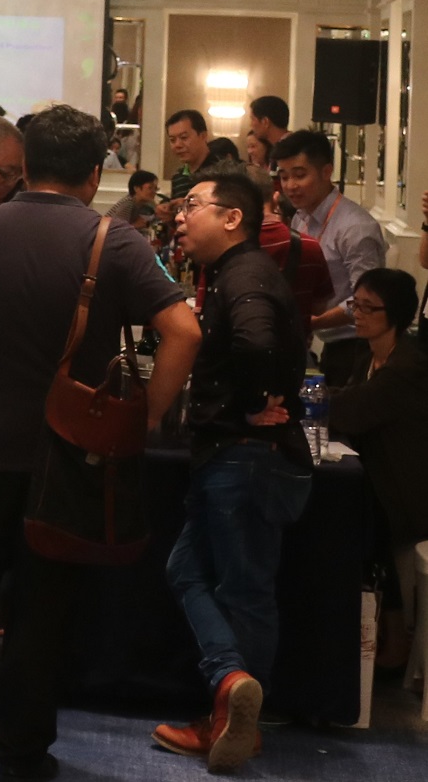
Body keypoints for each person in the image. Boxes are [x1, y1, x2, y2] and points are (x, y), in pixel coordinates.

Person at [0, 105, 198, 776]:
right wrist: (148, 417)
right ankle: (22, 752)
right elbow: (185, 332)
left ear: (26, 165)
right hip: (67, 454)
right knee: (42, 608)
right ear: (95, 173)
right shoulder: (113, 241)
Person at [155, 170, 314, 769]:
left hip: (247, 457)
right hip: (237, 456)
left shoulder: (244, 274)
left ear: (232, 218)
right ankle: (230, 687)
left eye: (192, 205)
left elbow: (255, 344)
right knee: (188, 571)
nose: (179, 216)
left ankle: (232, 711)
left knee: (244, 591)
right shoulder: (235, 272)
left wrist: (250, 403)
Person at [325, 268, 428, 621]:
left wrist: (305, 399)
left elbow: (351, 411)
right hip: (380, 484)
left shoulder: (407, 368)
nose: (358, 314)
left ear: (395, 314)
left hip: (406, 496)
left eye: (369, 307)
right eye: (356, 304)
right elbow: (349, 397)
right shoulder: (370, 354)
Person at [274, 129, 387, 343]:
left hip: (354, 343)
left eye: (300, 175)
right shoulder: (301, 218)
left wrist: (311, 322)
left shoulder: (356, 228)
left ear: (326, 172)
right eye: (284, 177)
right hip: (319, 339)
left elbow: (367, 301)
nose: (290, 186)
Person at [107, 169, 160, 233]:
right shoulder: (127, 203)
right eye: (150, 188)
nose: (154, 192)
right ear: (136, 188)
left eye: (155, 188)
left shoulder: (148, 203)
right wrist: (136, 225)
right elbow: (117, 230)